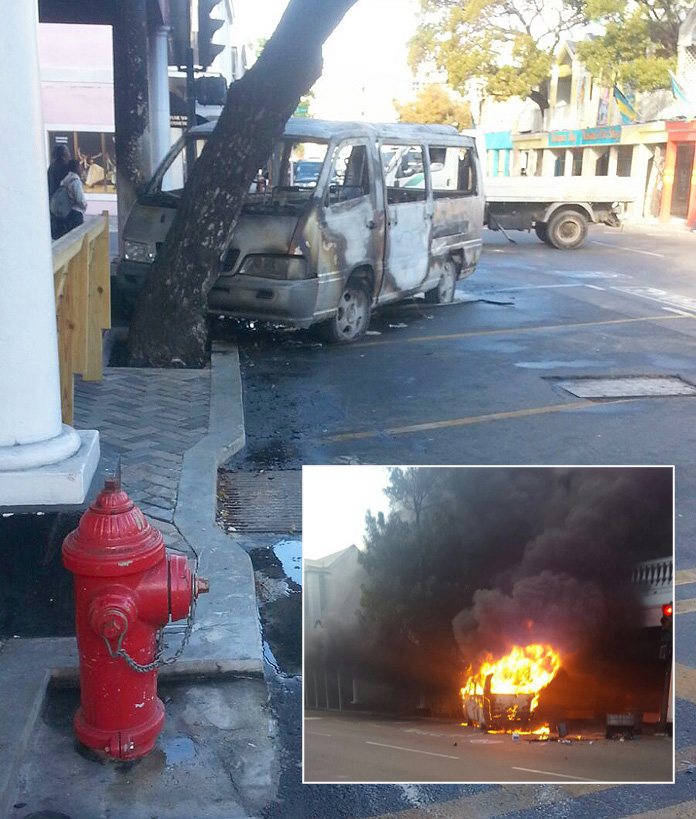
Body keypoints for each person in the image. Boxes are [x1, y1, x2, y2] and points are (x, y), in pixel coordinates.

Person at [56, 159, 87, 237]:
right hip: (76, 213)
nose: (81, 169)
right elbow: (80, 198)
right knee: (78, 237)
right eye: (79, 167)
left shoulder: (65, 180)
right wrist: (85, 205)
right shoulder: (75, 181)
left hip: (67, 211)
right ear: (76, 168)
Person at [47, 144, 70, 239]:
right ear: (63, 155)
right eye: (68, 152)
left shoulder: (51, 167)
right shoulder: (65, 167)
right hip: (63, 204)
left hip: (53, 202)